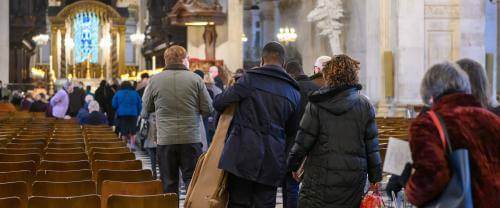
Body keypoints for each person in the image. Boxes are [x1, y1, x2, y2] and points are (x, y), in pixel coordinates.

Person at [287, 55, 382, 207]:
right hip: (352, 180)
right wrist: (375, 177)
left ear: (329, 75)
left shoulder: (317, 103)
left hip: (320, 179)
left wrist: (293, 165)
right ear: (353, 75)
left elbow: (303, 140)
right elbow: (372, 146)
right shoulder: (365, 105)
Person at [214, 41, 300, 207]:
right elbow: (293, 131)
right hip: (273, 158)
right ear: (283, 63)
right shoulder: (293, 91)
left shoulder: (250, 79)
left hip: (242, 154)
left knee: (238, 203)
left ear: (262, 60)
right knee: (265, 204)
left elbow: (219, 103)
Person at [404, 62, 500, 207]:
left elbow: (432, 176)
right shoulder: (493, 120)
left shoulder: (428, 124)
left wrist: (409, 188)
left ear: (430, 93)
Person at [142, 45, 213, 195]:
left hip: (166, 139)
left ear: (166, 60)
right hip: (191, 138)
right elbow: (208, 108)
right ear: (184, 59)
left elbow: (146, 108)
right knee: (192, 182)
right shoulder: (195, 79)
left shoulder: (155, 80)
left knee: (169, 183)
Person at [282, 61, 319, 208]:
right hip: (314, 145)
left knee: (290, 186)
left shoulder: (289, 89)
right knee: (311, 189)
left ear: (289, 74)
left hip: (292, 144)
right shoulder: (317, 89)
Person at [112, 81, 142, 150]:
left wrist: (118, 108)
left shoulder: (118, 93)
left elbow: (113, 104)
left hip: (122, 114)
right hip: (133, 114)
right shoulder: (135, 93)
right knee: (133, 131)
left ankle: (124, 146)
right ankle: (132, 146)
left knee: (123, 131)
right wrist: (138, 113)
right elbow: (140, 104)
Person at [203, 73, 222, 146]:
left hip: (207, 116)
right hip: (216, 116)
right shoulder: (218, 90)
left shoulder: (203, 89)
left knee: (207, 137)